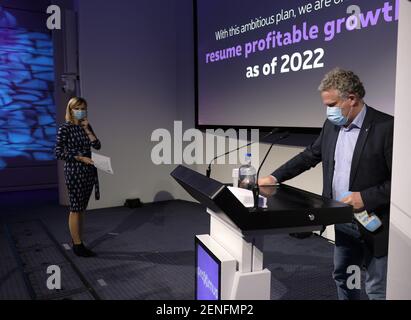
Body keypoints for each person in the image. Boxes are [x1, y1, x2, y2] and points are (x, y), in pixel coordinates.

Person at [259, 68, 393, 300]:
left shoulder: (386, 127)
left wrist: (366, 198)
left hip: (376, 223)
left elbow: (402, 182)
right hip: (342, 219)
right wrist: (275, 177)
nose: (328, 110)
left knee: (376, 287)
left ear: (352, 98)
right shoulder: (332, 125)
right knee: (345, 277)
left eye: (332, 104)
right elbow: (310, 155)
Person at [55, 97, 101, 257]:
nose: (81, 111)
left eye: (84, 108)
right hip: (74, 171)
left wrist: (88, 130)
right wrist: (80, 158)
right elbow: (58, 152)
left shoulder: (85, 126)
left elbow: (97, 145)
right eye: (78, 108)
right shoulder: (65, 128)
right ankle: (77, 245)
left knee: (82, 208)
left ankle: (79, 240)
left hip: (88, 171)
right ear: (71, 109)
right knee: (75, 207)